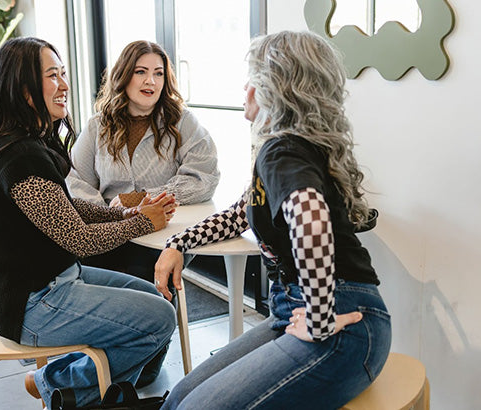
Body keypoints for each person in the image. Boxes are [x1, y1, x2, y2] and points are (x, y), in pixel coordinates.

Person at [153, 31, 392, 409]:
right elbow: (237, 215)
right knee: (179, 398)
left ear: (273, 89)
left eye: (252, 77)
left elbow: (311, 219)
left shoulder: (281, 150)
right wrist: (179, 243)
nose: (245, 88)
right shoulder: (294, 150)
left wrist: (318, 319)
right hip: (300, 310)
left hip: (340, 321)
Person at [0, 37, 177, 409]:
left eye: (63, 74)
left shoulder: (28, 141)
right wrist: (141, 223)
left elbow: (64, 207)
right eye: (52, 76)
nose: (63, 84)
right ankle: (53, 383)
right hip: (34, 304)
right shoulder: (18, 155)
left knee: (155, 304)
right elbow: (79, 240)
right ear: (24, 88)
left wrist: (120, 214)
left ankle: (99, 386)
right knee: (160, 319)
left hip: (60, 279)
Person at [66, 39, 219, 282]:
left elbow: (203, 179)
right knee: (83, 269)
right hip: (111, 231)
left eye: (158, 74)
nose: (151, 81)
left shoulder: (183, 121)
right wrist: (111, 219)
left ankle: (156, 318)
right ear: (124, 76)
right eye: (141, 72)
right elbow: (77, 182)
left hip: (163, 231)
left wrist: (140, 199)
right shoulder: (98, 126)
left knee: (142, 274)